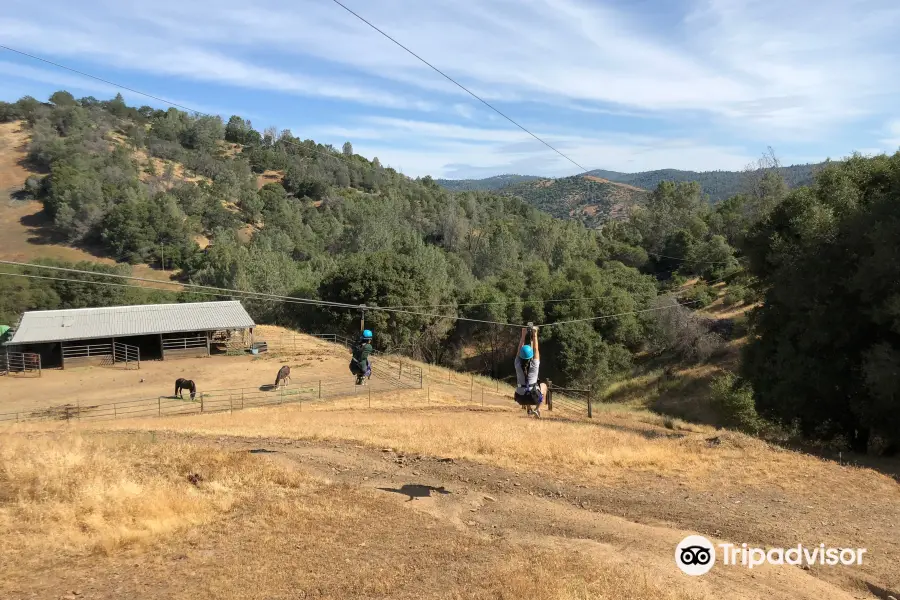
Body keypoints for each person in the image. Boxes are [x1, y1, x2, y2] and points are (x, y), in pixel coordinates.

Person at [514, 325, 547, 418]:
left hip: (520, 398)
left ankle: (528, 408)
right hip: (534, 398)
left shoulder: (517, 364)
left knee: (525, 388)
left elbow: (519, 349)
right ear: (530, 356)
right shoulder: (535, 365)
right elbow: (536, 349)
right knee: (544, 386)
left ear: (520, 355)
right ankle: (537, 409)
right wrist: (535, 333)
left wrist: (523, 335)